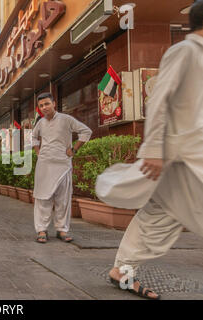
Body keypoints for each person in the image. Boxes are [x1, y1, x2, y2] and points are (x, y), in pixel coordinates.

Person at [108, 0, 203, 300]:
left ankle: (122, 270)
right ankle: (123, 269)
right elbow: (159, 99)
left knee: (160, 213)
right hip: (184, 157)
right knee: (161, 213)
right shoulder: (184, 51)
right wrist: (153, 149)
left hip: (189, 157)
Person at [32, 92, 92, 244]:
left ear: (54, 104)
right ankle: (41, 229)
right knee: (42, 198)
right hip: (44, 165)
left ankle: (62, 230)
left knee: (63, 199)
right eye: (41, 106)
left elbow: (86, 131)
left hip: (62, 164)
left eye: (47, 104)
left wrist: (74, 149)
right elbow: (33, 137)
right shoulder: (40, 123)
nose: (44, 107)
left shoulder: (66, 119)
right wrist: (38, 152)